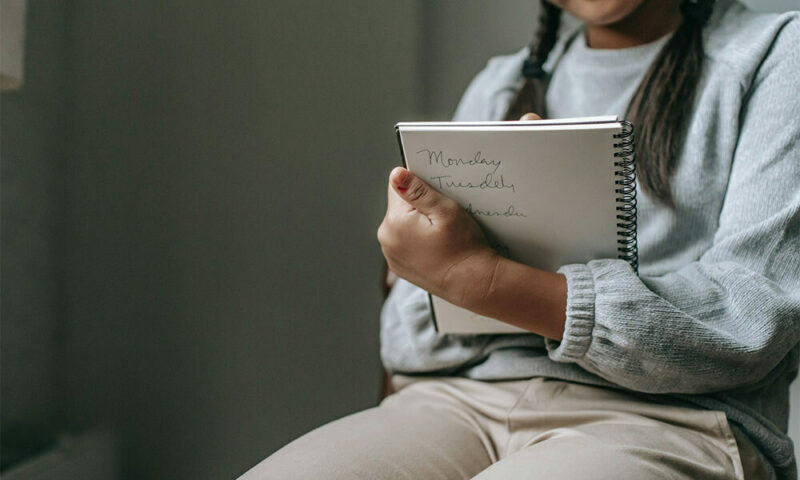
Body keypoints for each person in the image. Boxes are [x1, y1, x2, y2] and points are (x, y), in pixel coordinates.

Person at [241, 0, 800, 478]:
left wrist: (483, 280)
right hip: (460, 402)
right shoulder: (501, 85)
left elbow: (752, 316)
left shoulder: (775, 54)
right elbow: (410, 340)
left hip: (671, 417)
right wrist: (429, 268)